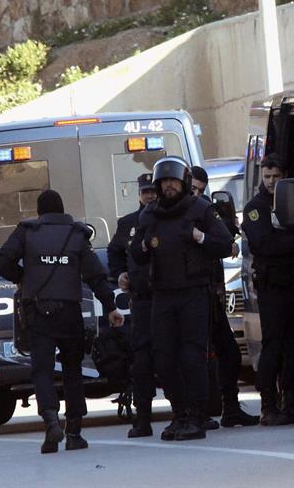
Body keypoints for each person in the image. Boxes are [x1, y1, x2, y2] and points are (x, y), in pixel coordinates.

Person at [0, 189, 125, 454]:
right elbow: (95, 277)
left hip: (38, 313)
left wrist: (21, 276)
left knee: (42, 370)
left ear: (40, 212)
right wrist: (111, 307)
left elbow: (3, 260)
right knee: (72, 371)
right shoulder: (76, 234)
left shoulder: (27, 231)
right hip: (69, 313)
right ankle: (74, 431)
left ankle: (51, 422)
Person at [130, 156, 233, 441]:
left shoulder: (201, 209)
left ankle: (197, 416)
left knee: (192, 356)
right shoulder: (150, 214)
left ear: (184, 183)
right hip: (162, 295)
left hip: (193, 292)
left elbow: (225, 244)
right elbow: (136, 254)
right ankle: (179, 413)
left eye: (173, 181)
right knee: (164, 358)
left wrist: (201, 238)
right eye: (164, 182)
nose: (169, 187)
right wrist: (143, 244)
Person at [242, 154, 294, 426]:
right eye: (267, 177)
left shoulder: (290, 203)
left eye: (276, 177)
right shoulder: (256, 208)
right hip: (272, 286)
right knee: (272, 346)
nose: (272, 182)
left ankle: (293, 403)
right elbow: (264, 243)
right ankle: (268, 405)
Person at [189, 165, 260, 428]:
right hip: (187, 297)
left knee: (228, 353)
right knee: (192, 356)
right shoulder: (173, 214)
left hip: (211, 294)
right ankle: (194, 412)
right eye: (191, 188)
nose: (195, 194)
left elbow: (225, 241)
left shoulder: (205, 210)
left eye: (199, 189)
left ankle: (230, 407)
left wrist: (208, 237)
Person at [107, 173, 158, 438]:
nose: (149, 195)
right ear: (139, 193)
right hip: (141, 302)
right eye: (145, 191)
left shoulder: (166, 217)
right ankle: (143, 417)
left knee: (176, 357)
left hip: (167, 299)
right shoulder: (128, 223)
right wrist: (119, 273)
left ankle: (188, 412)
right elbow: (114, 252)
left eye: (153, 191)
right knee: (142, 360)